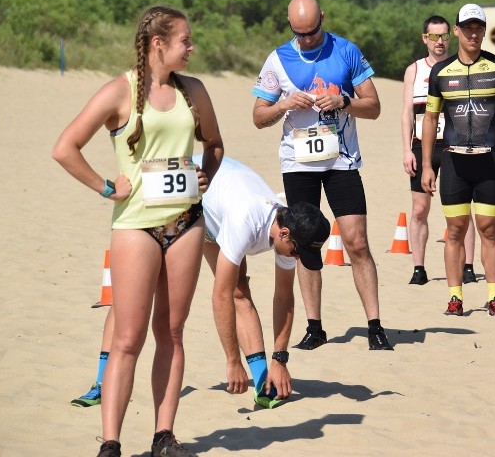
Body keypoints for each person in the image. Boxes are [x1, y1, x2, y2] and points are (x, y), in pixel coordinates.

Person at [52, 6, 224, 457]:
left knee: (172, 332)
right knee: (128, 338)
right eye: (185, 41)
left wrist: (204, 174)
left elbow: (216, 144)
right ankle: (110, 443)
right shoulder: (119, 91)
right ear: (158, 44)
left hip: (186, 223)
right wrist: (107, 186)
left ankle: (164, 436)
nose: (192, 48)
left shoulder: (195, 90)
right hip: (135, 226)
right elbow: (64, 148)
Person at [71, 156, 332, 411]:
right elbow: (220, 295)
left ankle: (264, 380)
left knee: (240, 289)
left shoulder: (287, 232)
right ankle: (102, 383)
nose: (298, 259)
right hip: (178, 193)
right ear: (284, 234)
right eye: (298, 252)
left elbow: (284, 298)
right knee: (135, 290)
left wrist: (280, 359)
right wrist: (232, 362)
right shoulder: (246, 221)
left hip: (210, 211)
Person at [252, 0, 393, 351]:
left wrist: (344, 101)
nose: (307, 39)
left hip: (341, 162)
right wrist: (284, 103)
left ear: (323, 20)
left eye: (312, 32)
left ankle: (375, 326)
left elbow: (374, 107)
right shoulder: (278, 59)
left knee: (356, 241)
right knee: (304, 244)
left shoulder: (347, 52)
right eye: (299, 33)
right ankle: (315, 327)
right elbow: (258, 117)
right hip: (298, 164)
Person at [421, 3, 495, 317]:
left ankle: (494, 297)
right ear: (456, 31)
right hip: (454, 162)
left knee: (489, 231)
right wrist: (428, 165)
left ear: (483, 31)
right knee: (454, 231)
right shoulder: (441, 72)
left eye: (478, 28)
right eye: (467, 28)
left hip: (489, 162)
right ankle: (455, 298)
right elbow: (430, 119)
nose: (473, 33)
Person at [401, 15, 477, 286]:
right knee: (420, 209)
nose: (440, 42)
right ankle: (419, 269)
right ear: (425, 39)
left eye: (444, 36)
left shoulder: (462, 66)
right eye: (434, 36)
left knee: (461, 208)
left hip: (456, 144)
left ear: (451, 36)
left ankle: (468, 266)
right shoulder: (415, 70)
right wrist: (407, 150)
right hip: (422, 144)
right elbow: (407, 113)